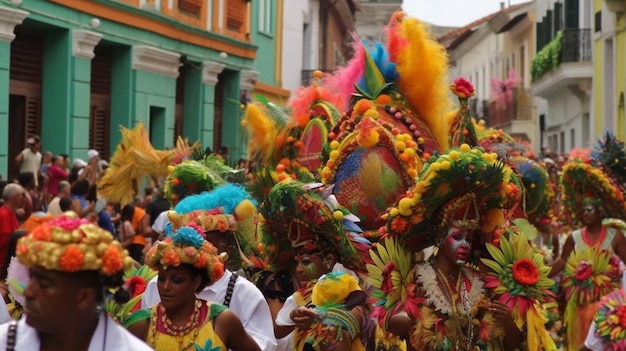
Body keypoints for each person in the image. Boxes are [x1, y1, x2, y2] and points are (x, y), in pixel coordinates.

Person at [373, 144, 526, 351]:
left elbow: (510, 345)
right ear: (439, 238)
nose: (465, 244)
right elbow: (389, 326)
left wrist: (507, 322)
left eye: (469, 238)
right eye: (457, 237)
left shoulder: (479, 282)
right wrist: (403, 318)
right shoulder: (415, 280)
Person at [141, 183, 277, 351]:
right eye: (190, 245)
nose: (196, 253)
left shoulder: (244, 294)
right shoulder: (156, 286)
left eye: (207, 245)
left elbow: (263, 346)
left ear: (227, 252)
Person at [0, 213, 152, 351]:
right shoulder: (5, 342)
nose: (28, 292)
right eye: (32, 278)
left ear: (84, 297)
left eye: (45, 283)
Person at [253, 179, 373, 351]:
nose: (299, 269)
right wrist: (295, 316)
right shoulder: (302, 296)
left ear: (329, 260)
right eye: (298, 262)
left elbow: (352, 325)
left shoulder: (352, 283)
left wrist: (324, 319)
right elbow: (277, 331)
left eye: (306, 262)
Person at [125, 225, 261, 351]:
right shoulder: (140, 324)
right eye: (161, 278)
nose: (165, 287)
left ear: (196, 282)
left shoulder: (222, 320)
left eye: (177, 280)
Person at [549, 160, 626, 351]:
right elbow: (563, 261)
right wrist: (540, 277)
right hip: (579, 306)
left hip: (608, 309)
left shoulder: (615, 236)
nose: (585, 213)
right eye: (583, 209)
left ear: (600, 212)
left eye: (589, 209)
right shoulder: (573, 238)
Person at [0, 184, 25, 268]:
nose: (23, 199)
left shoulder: (11, 212)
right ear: (14, 197)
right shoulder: (4, 215)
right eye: (21, 196)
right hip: (4, 264)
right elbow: (5, 240)